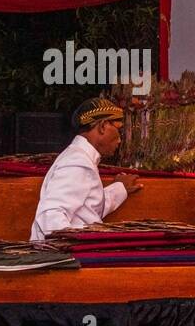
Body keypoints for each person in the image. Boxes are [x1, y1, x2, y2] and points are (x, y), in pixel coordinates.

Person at [30, 97, 141, 241]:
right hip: (67, 257)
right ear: (102, 126)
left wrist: (119, 189)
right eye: (118, 129)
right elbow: (50, 218)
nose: (119, 140)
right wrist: (86, 244)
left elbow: (86, 209)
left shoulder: (80, 158)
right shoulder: (76, 163)